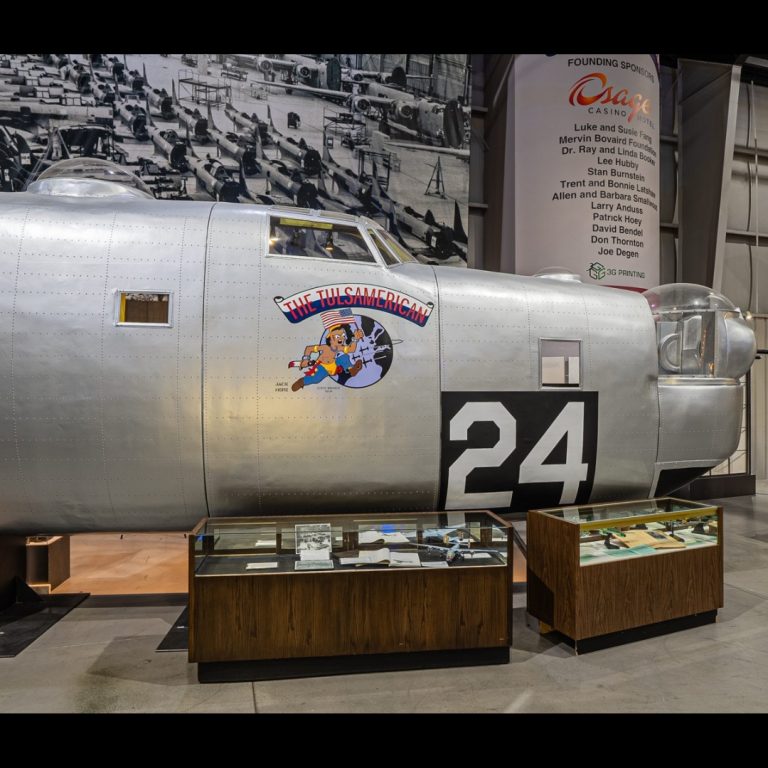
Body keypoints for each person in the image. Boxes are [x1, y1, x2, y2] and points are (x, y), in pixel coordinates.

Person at [292, 322, 364, 391]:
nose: (342, 339)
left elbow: (351, 349)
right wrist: (306, 360)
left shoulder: (339, 348)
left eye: (343, 336)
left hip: (333, 366)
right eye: (338, 336)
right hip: (322, 367)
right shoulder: (325, 347)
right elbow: (309, 349)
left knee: (345, 357)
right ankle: (301, 382)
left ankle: (351, 369)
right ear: (330, 339)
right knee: (316, 379)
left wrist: (355, 338)